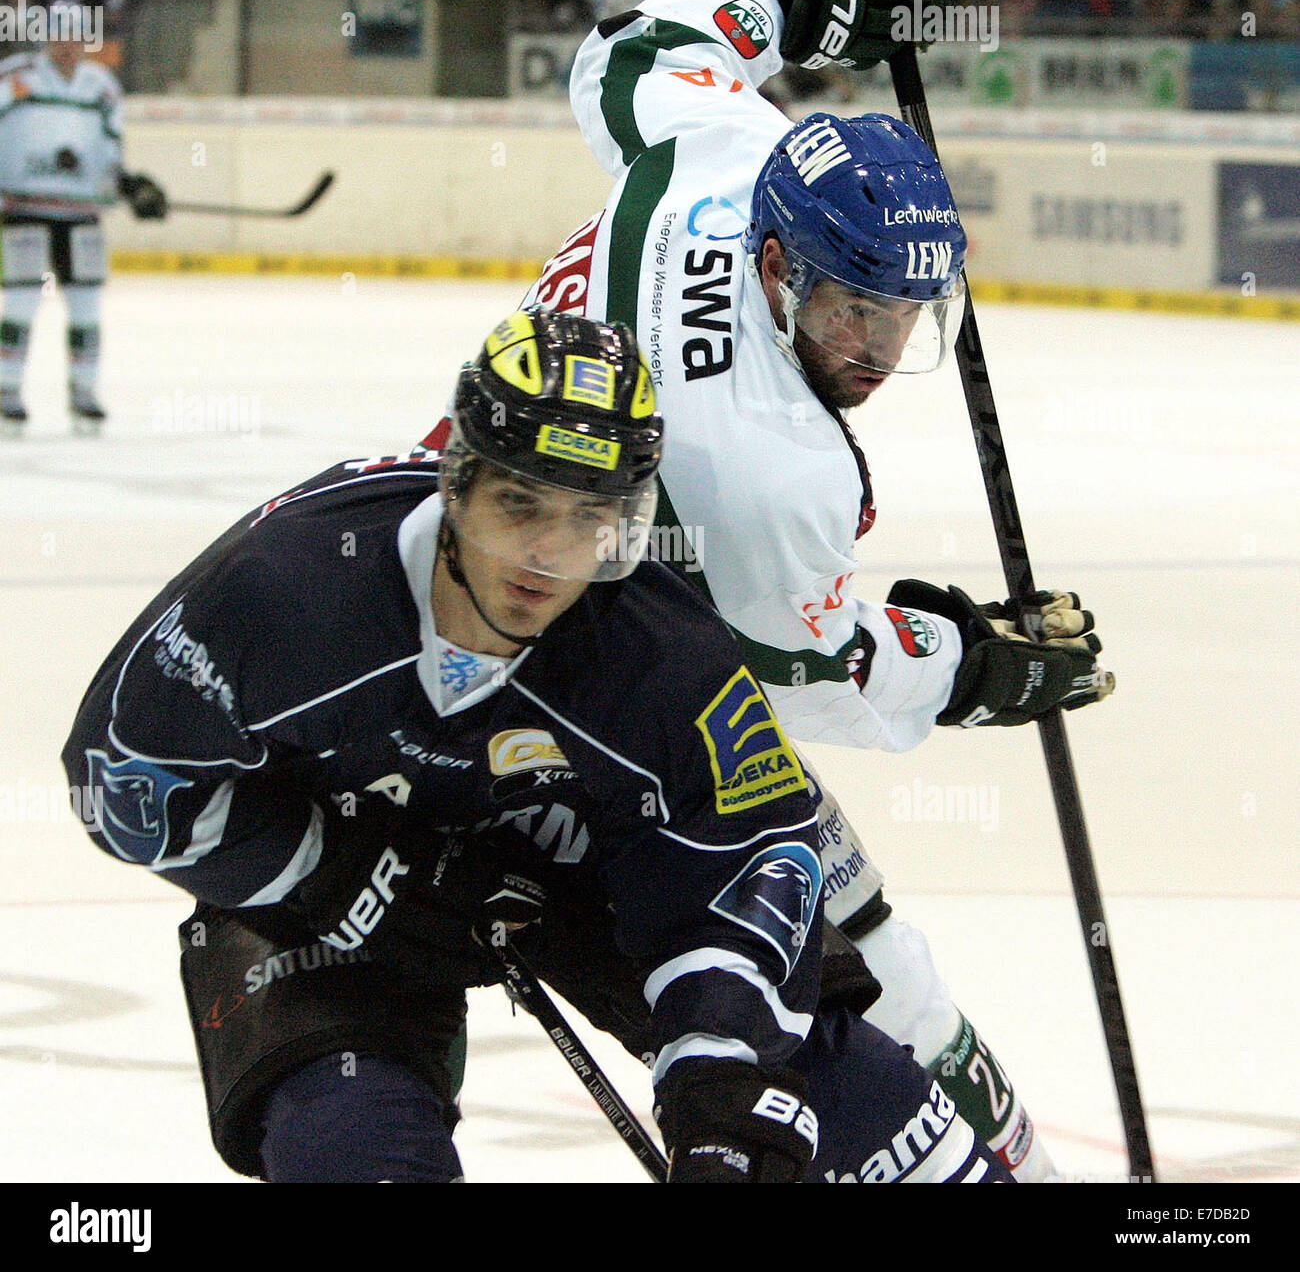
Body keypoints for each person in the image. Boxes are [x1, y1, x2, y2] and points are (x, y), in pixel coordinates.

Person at [63, 307, 1011, 1183]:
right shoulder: (286, 592)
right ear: (457, 476)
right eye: (522, 503)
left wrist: (717, 1067)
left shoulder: (658, 650)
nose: (549, 557)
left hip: (581, 868)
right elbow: (127, 778)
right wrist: (336, 871)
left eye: (592, 516)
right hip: (321, 883)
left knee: (877, 1120)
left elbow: (747, 845)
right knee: (354, 1144)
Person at [524, 0, 1113, 1180]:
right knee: (842, 993)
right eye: (857, 306)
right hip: (592, 666)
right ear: (781, 266)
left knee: (876, 950)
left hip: (553, 543)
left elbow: (634, 49)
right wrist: (970, 664)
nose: (884, 346)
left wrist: (803, 0)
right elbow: (813, 674)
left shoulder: (724, 143)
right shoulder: (763, 459)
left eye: (908, 308)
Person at [0, 36, 164, 432]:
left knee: (86, 306)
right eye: (59, 39)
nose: (67, 48)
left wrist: (127, 184)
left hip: (81, 213)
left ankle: (84, 393)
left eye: (74, 39)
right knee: (21, 303)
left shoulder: (101, 86)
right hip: (25, 209)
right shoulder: (16, 77)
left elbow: (111, 147)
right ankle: (7, 390)